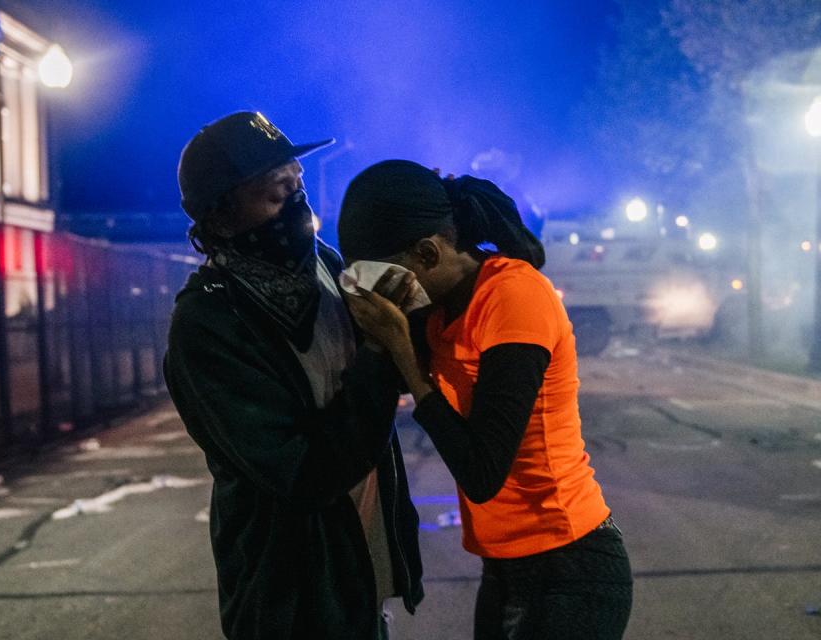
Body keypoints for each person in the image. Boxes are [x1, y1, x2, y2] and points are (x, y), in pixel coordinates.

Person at [337, 159, 632, 640]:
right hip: (505, 565)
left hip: (569, 565)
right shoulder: (436, 313)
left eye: (385, 278)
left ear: (428, 253)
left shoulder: (513, 296)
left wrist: (405, 355)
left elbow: (482, 472)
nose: (380, 294)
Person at [163, 114, 423, 640]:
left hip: (359, 577)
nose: (298, 206)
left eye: (297, 185)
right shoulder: (209, 322)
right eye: (276, 194)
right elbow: (302, 473)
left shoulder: (325, 265)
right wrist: (379, 353)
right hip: (291, 597)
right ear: (221, 218)